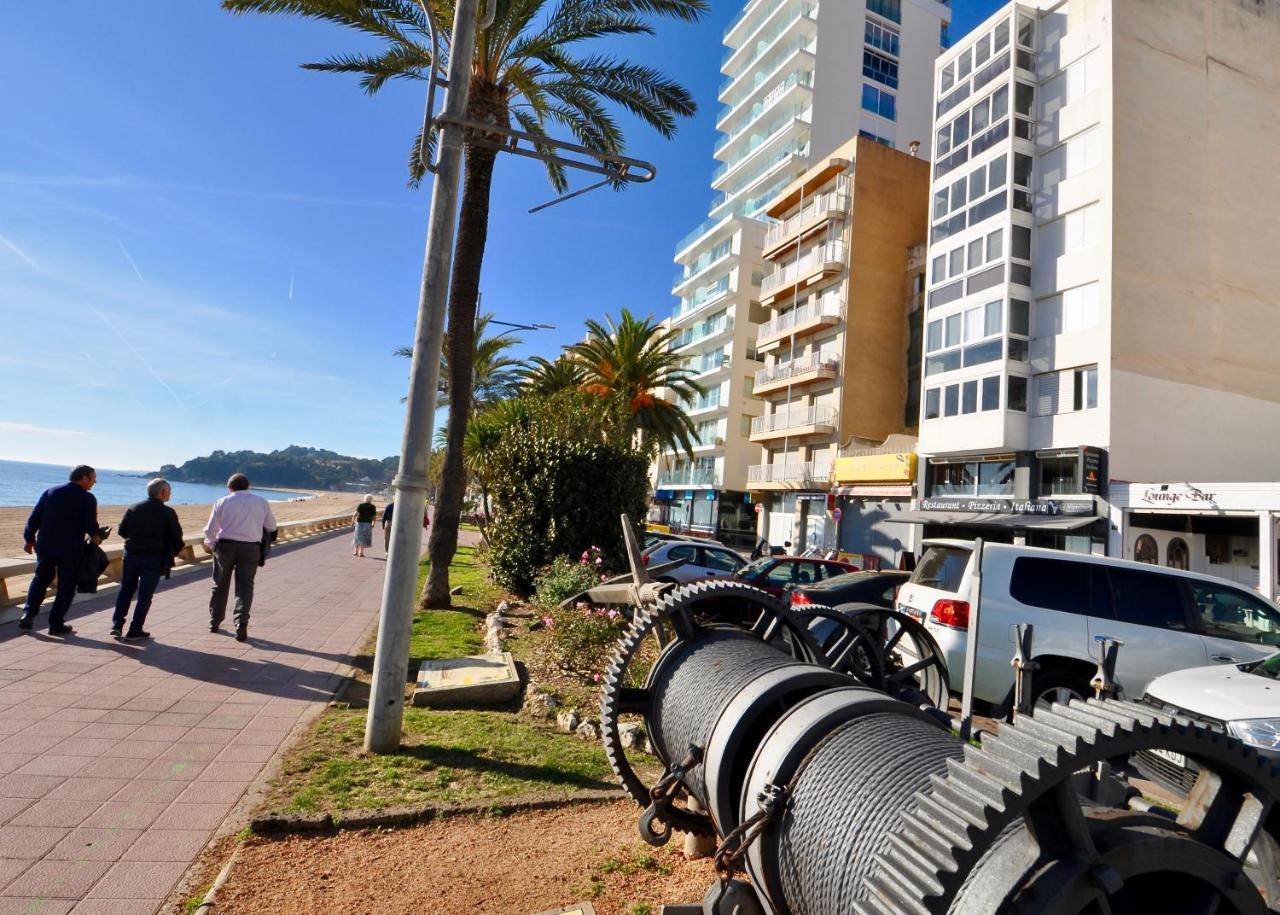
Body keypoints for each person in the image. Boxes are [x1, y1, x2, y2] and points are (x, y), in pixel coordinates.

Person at [19, 465, 101, 635]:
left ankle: (28, 614)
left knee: (40, 579)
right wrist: (96, 535)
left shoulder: (51, 492)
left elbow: (34, 518)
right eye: (93, 478)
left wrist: (29, 539)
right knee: (67, 586)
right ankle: (56, 624)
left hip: (46, 545)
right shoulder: (87, 498)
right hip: (70, 548)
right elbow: (90, 525)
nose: (95, 481)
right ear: (84, 478)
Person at [203, 473, 277, 642]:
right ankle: (241, 623)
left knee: (219, 584)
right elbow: (271, 526)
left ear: (230, 487)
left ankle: (214, 621)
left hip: (225, 547)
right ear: (248, 486)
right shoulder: (261, 502)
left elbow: (210, 529)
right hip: (251, 548)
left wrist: (213, 544)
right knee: (245, 587)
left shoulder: (222, 501)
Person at [111, 478, 184, 640]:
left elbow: (122, 531)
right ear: (162, 492)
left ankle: (117, 625)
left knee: (126, 590)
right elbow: (177, 537)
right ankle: (135, 629)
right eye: (169, 491)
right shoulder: (168, 512)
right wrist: (174, 551)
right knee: (145, 595)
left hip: (131, 555)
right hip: (153, 558)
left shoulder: (134, 507)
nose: (170, 493)